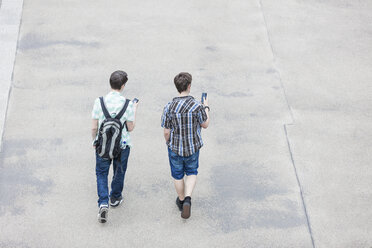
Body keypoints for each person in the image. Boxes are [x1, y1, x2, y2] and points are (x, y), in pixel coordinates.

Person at [161, 72, 210, 219]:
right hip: (192, 147)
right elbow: (205, 124)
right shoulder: (196, 105)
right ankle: (188, 198)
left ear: (177, 87)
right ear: (189, 86)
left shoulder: (169, 106)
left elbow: (166, 131)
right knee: (192, 172)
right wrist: (206, 107)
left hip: (175, 147)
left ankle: (181, 200)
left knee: (177, 175)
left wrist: (168, 142)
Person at [91, 70, 138, 223]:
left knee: (101, 173)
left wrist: (95, 140)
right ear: (123, 86)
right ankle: (115, 197)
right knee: (119, 171)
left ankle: (103, 202)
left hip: (103, 144)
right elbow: (130, 128)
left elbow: (94, 126)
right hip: (122, 145)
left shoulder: (99, 102)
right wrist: (134, 109)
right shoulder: (128, 104)